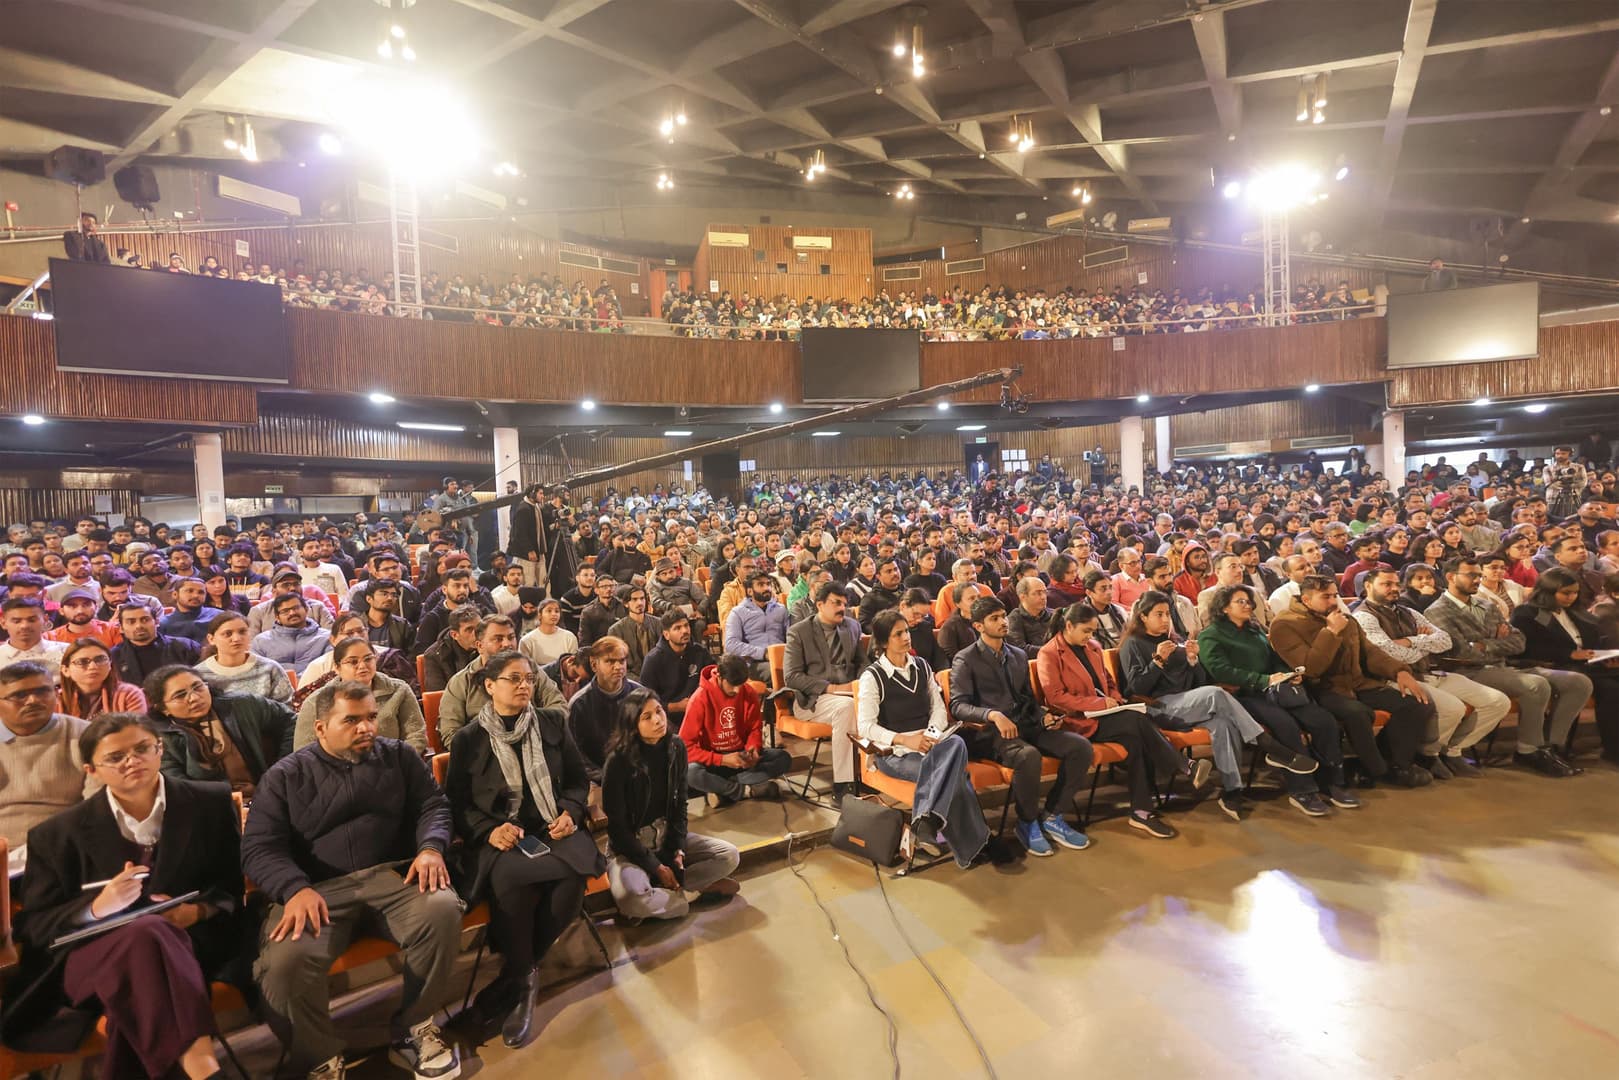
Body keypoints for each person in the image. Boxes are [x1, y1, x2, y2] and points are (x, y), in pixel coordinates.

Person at [243, 679, 462, 1079]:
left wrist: (431, 847)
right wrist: (294, 889)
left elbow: (434, 806)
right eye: (352, 720)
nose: (367, 728)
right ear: (321, 727)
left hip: (392, 876)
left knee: (442, 909)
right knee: (284, 963)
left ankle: (414, 1028)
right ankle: (321, 1056)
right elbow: (259, 848)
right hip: (317, 889)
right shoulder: (285, 776)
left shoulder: (398, 757)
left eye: (371, 718)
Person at [7, 714, 245, 1076]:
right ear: (91, 769)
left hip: (188, 946)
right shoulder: (57, 834)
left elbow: (230, 887)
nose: (132, 761)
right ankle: (202, 1062)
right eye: (116, 758)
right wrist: (97, 909)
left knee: (136, 983)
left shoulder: (209, 802)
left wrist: (195, 913)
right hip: (91, 959)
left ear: (160, 748)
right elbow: (34, 926)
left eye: (142, 749)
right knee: (146, 931)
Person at [443, 650, 602, 1047]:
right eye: (514, 679)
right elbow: (457, 804)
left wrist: (570, 811)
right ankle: (524, 978)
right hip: (502, 840)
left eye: (529, 679)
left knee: (568, 882)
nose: (524, 686)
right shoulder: (469, 739)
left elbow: (577, 782)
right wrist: (488, 830)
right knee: (514, 878)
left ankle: (517, 977)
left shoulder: (552, 722)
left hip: (553, 830)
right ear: (489, 686)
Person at [1118, 591, 1315, 819]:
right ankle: (1268, 744)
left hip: (1187, 704)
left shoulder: (1174, 642)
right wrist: (1157, 661)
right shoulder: (1133, 644)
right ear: (1143, 617)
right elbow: (1135, 689)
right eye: (1158, 614)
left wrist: (1193, 662)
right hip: (1157, 708)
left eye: (1167, 614)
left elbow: (1199, 683)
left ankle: (1232, 791)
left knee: (1223, 724)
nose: (1165, 620)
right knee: (1216, 694)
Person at [1035, 604, 1203, 837]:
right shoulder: (1049, 653)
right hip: (1078, 721)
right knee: (1136, 720)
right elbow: (1055, 698)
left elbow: (1109, 684)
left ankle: (1142, 812)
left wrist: (1114, 698)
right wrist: (1099, 704)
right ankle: (1181, 765)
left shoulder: (1093, 647)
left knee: (1135, 740)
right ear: (1069, 626)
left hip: (1108, 715)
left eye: (1093, 631)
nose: (1090, 637)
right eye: (1085, 631)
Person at [948, 597, 1094, 856]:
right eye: (994, 618)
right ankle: (1026, 822)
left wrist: (1043, 717)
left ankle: (1053, 814)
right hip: (989, 733)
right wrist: (992, 714)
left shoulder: (1017, 655)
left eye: (1003, 615)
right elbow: (958, 706)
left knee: (1080, 747)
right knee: (1028, 756)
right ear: (978, 626)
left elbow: (1028, 700)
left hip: (1025, 726)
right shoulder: (965, 659)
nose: (1003, 622)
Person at [1198, 585, 1360, 813]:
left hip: (1277, 691)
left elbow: (1274, 659)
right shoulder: (1211, 634)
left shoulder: (1253, 631)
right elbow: (1219, 670)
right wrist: (1263, 680)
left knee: (1324, 721)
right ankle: (1302, 790)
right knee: (1286, 726)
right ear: (1224, 608)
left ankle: (1332, 783)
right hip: (1243, 696)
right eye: (1240, 602)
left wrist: (1288, 674)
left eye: (1249, 601)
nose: (1248, 605)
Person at [1425, 557, 1591, 777]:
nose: (1478, 580)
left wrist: (1485, 643)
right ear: (1450, 577)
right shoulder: (1437, 610)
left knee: (1579, 682)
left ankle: (1551, 746)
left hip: (1504, 666)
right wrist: (1495, 641)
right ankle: (1529, 750)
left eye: (1478, 575)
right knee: (1535, 685)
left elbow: (1519, 642)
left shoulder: (1486, 605)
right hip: (1470, 672)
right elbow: (1461, 652)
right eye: (1471, 575)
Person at [1269, 575, 1437, 788]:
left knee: (1413, 706)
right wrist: (1330, 632)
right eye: (1325, 597)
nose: (1333, 602)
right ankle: (1377, 769)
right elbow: (1310, 669)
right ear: (1306, 600)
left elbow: (1370, 652)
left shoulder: (1345, 619)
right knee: (1357, 713)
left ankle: (1397, 765)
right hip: (1320, 689)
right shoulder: (1285, 624)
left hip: (1357, 683)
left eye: (1335, 596)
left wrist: (1399, 671)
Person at [857, 609, 991, 865]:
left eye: (906, 631)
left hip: (930, 744)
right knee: (957, 778)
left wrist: (930, 735)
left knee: (956, 742)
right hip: (895, 753)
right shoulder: (872, 677)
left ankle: (925, 822)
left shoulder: (921, 665)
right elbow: (865, 727)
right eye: (899, 634)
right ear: (884, 642)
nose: (907, 637)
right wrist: (905, 740)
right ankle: (976, 844)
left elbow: (938, 707)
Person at [601, 688, 741, 921]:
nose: (657, 720)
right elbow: (618, 830)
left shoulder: (676, 747)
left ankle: (666, 894)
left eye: (659, 711)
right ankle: (686, 898)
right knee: (631, 900)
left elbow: (680, 807)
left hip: (665, 834)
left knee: (729, 855)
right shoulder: (618, 761)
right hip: (630, 846)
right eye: (646, 717)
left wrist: (677, 850)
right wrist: (656, 866)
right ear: (632, 724)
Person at [1353, 567, 1508, 776]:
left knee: (1497, 701)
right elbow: (1387, 653)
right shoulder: (1364, 616)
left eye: (1396, 584)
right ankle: (1428, 754)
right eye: (1386, 584)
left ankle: (1452, 751)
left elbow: (1445, 641)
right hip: (1395, 678)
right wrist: (1425, 645)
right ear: (1368, 586)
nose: (1394, 589)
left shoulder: (1409, 612)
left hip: (1430, 672)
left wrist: (1412, 642)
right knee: (1452, 708)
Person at [1512, 567, 1619, 760]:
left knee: (1611, 684)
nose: (1571, 597)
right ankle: (1554, 745)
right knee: (1610, 689)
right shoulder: (1527, 613)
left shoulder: (1578, 612)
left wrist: (1606, 658)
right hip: (1554, 666)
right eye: (1566, 593)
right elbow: (1526, 648)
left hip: (1588, 665)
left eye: (1575, 592)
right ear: (1548, 591)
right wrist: (1570, 654)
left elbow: (1592, 642)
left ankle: (1611, 748)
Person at [145, 665, 294, 798]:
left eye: (198, 687)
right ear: (162, 708)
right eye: (180, 695)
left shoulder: (241, 704)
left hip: (271, 793)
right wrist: (228, 794)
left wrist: (279, 770)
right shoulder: (157, 739)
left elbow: (292, 721)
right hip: (209, 809)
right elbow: (179, 788)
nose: (195, 698)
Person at [784, 581, 867, 799]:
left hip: (850, 693)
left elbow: (862, 663)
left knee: (876, 700)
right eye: (836, 603)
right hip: (813, 699)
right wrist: (831, 688)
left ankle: (874, 773)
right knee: (847, 708)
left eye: (845, 603)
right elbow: (791, 677)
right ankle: (844, 785)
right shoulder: (799, 632)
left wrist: (862, 685)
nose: (842, 608)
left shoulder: (852, 626)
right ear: (820, 604)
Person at [0, 661, 93, 849]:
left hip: (65, 845)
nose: (33, 700)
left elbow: (96, 807)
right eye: (19, 695)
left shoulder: (86, 735)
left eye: (43, 691)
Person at [680, 652, 791, 805]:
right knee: (691, 772)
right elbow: (685, 747)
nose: (738, 690)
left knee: (782, 759)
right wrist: (722, 759)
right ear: (719, 676)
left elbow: (754, 728)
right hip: (714, 760)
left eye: (741, 684)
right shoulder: (699, 699)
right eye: (733, 685)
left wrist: (753, 749)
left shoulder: (749, 692)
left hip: (741, 758)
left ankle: (721, 789)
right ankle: (746, 791)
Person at [293, 638, 427, 752]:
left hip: (393, 767)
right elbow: (304, 749)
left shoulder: (399, 690)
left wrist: (399, 763)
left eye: (368, 659)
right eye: (353, 662)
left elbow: (416, 735)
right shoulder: (316, 701)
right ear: (337, 667)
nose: (363, 666)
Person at [568, 635, 641, 784]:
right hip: (596, 779)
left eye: (622, 661)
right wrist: (606, 778)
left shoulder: (640, 695)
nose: (618, 667)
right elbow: (577, 754)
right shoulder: (579, 704)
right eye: (610, 661)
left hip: (637, 774)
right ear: (594, 665)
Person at [438, 614, 520, 744]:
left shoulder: (532, 673)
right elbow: (451, 734)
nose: (507, 644)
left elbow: (557, 708)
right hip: (482, 755)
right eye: (498, 639)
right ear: (480, 646)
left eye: (511, 637)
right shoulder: (461, 682)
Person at [195, 611, 293, 701]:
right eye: (228, 634)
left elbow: (287, 707)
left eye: (242, 632)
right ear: (211, 639)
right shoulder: (198, 674)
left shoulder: (270, 668)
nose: (236, 638)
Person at [638, 610, 714, 717]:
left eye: (686, 625)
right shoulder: (653, 659)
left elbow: (713, 680)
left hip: (700, 710)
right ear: (666, 635)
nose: (684, 631)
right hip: (667, 716)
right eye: (677, 628)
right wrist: (676, 707)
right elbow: (644, 700)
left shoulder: (700, 652)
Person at [112, 602, 202, 686]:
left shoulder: (185, 646)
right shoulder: (114, 655)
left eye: (145, 620)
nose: (139, 626)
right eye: (131, 622)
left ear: (157, 622)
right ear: (121, 628)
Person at [56, 636, 146, 719]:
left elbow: (135, 731)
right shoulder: (55, 700)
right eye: (82, 662)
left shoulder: (129, 694)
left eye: (100, 659)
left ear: (110, 664)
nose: (93, 666)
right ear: (65, 670)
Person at [724, 571, 790, 682]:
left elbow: (790, 636)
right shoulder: (738, 612)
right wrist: (763, 653)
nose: (766, 588)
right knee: (780, 672)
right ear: (750, 591)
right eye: (761, 585)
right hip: (754, 663)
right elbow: (731, 644)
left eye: (768, 584)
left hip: (783, 658)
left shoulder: (781, 609)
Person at [251, 594, 332, 676]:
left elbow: (330, 668)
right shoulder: (261, 641)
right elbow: (256, 672)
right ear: (277, 617)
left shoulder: (326, 637)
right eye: (285, 611)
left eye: (296, 608)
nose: (292, 613)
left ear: (306, 609)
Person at [0, 596, 69, 674]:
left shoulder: (67, 652)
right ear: (3, 623)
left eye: (32, 620)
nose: (24, 626)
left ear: (45, 620)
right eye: (17, 621)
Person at [421, 606, 482, 692]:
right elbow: (438, 695)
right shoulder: (434, 655)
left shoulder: (490, 645)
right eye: (469, 629)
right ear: (454, 635)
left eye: (479, 627)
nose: (477, 634)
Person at [606, 584, 663, 675]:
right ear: (626, 603)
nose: (640, 603)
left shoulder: (659, 624)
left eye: (642, 598)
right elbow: (616, 662)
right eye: (634, 599)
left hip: (659, 674)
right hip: (631, 678)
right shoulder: (616, 630)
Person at [158, 578, 224, 645]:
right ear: (175, 594)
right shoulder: (163, 624)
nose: (196, 596)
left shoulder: (219, 617)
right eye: (190, 591)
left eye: (201, 592)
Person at [519, 598, 578, 667]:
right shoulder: (527, 640)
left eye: (557, 611)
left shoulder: (569, 637)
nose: (554, 614)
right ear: (540, 615)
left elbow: (573, 665)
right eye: (549, 611)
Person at [1005, 575, 1058, 652]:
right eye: (1038, 593)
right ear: (1022, 597)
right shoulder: (1014, 618)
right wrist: (1051, 651)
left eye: (1044, 592)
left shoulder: (1054, 615)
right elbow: (1019, 649)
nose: (1043, 597)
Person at [577, 574, 627, 648]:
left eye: (611, 586)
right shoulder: (588, 612)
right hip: (598, 650)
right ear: (596, 590)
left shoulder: (624, 607)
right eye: (604, 587)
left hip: (620, 647)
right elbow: (584, 640)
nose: (609, 589)